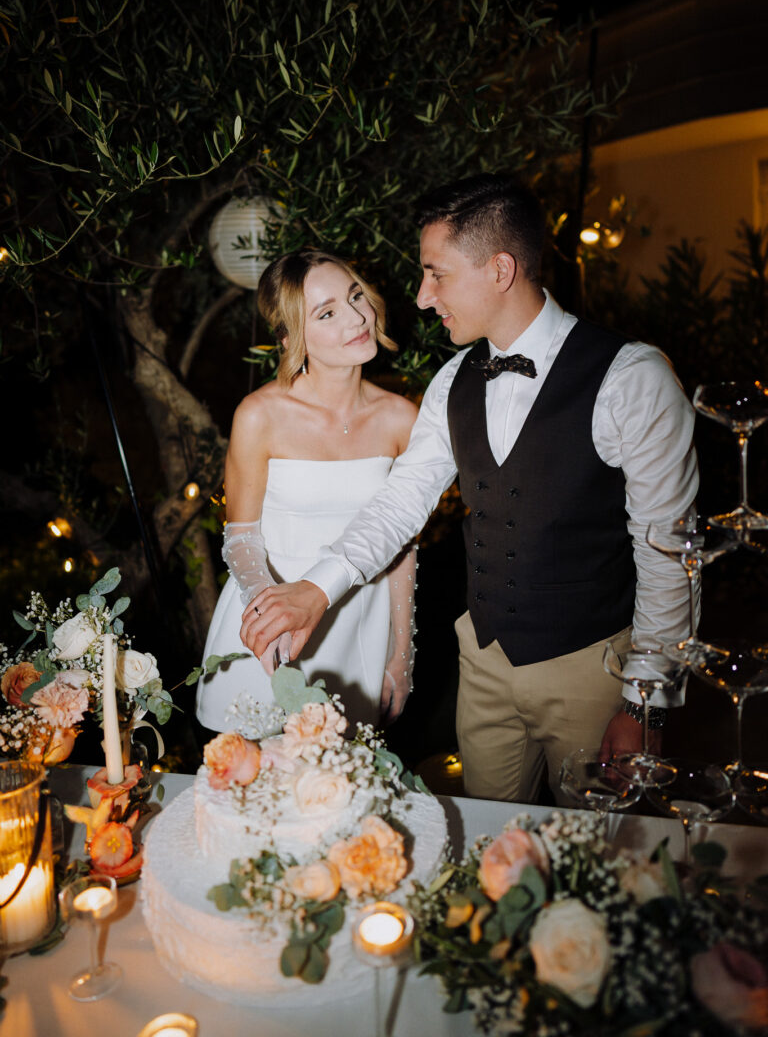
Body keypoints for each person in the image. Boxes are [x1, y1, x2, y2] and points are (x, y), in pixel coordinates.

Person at [240, 175, 698, 803]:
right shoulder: (453, 380)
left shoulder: (631, 378)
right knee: (487, 855)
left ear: (500, 269)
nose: (423, 298)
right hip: (481, 667)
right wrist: (317, 591)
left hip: (595, 674)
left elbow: (669, 552)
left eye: (438, 275)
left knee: (604, 860)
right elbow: (402, 502)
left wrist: (647, 703)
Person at [196, 249, 418, 733]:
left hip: (358, 629)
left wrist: (402, 652)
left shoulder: (401, 418)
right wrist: (270, 614)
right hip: (265, 629)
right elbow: (241, 536)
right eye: (328, 313)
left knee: (343, 794)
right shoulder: (259, 415)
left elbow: (400, 547)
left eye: (355, 296)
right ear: (291, 337)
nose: (357, 318)